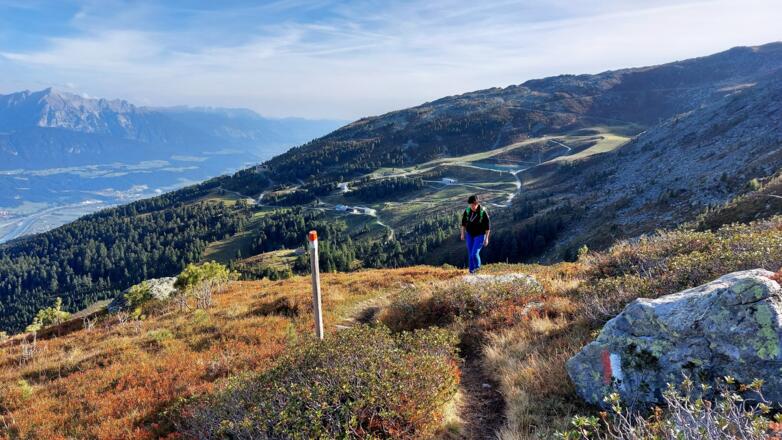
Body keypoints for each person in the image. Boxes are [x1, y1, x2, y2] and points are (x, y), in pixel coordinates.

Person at [460, 194, 490, 273]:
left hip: (480, 235)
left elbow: (487, 228)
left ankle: (477, 270)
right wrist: (462, 234)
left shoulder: (483, 213)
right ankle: (471, 272)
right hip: (469, 235)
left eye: (473, 205)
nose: (471, 206)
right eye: (470, 205)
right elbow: (463, 224)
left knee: (474, 254)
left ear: (477, 203)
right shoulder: (467, 211)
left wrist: (486, 239)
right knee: (470, 255)